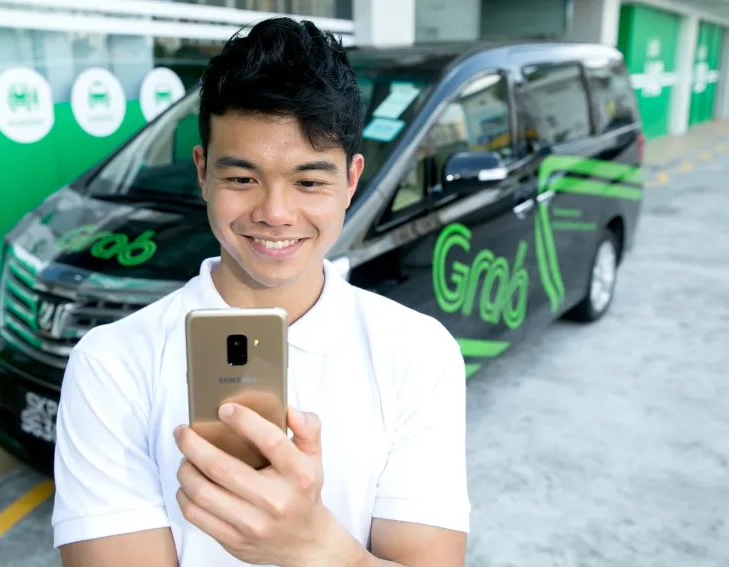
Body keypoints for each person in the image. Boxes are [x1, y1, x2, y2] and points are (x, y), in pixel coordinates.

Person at [52, 16, 471, 567]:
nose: (275, 213)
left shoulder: (418, 352)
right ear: (202, 172)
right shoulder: (111, 364)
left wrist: (312, 547)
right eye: (242, 178)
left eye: (309, 181)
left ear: (351, 180)